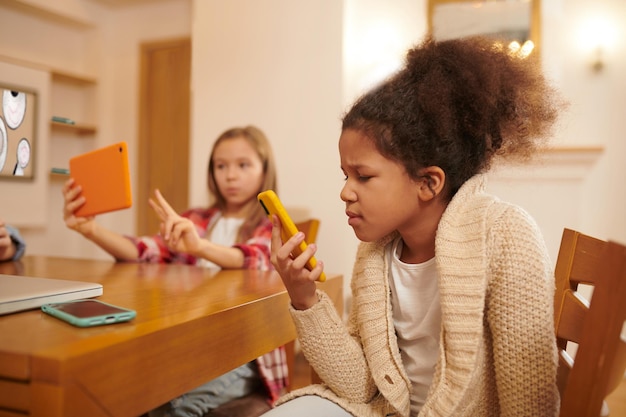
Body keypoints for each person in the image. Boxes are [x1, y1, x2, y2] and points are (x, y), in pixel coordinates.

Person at [263, 36, 564, 417]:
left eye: (363, 176)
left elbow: (528, 402)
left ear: (428, 183)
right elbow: (361, 385)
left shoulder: (505, 235)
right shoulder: (375, 253)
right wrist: (304, 297)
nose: (345, 192)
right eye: (344, 175)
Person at [63, 125, 288, 416]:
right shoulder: (196, 218)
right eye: (221, 166)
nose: (230, 175)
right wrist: (91, 230)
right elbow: (147, 251)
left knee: (175, 407)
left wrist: (200, 247)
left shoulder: (273, 224)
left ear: (265, 170)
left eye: (243, 165)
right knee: (131, 392)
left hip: (248, 356)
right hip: (191, 345)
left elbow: (256, 258)